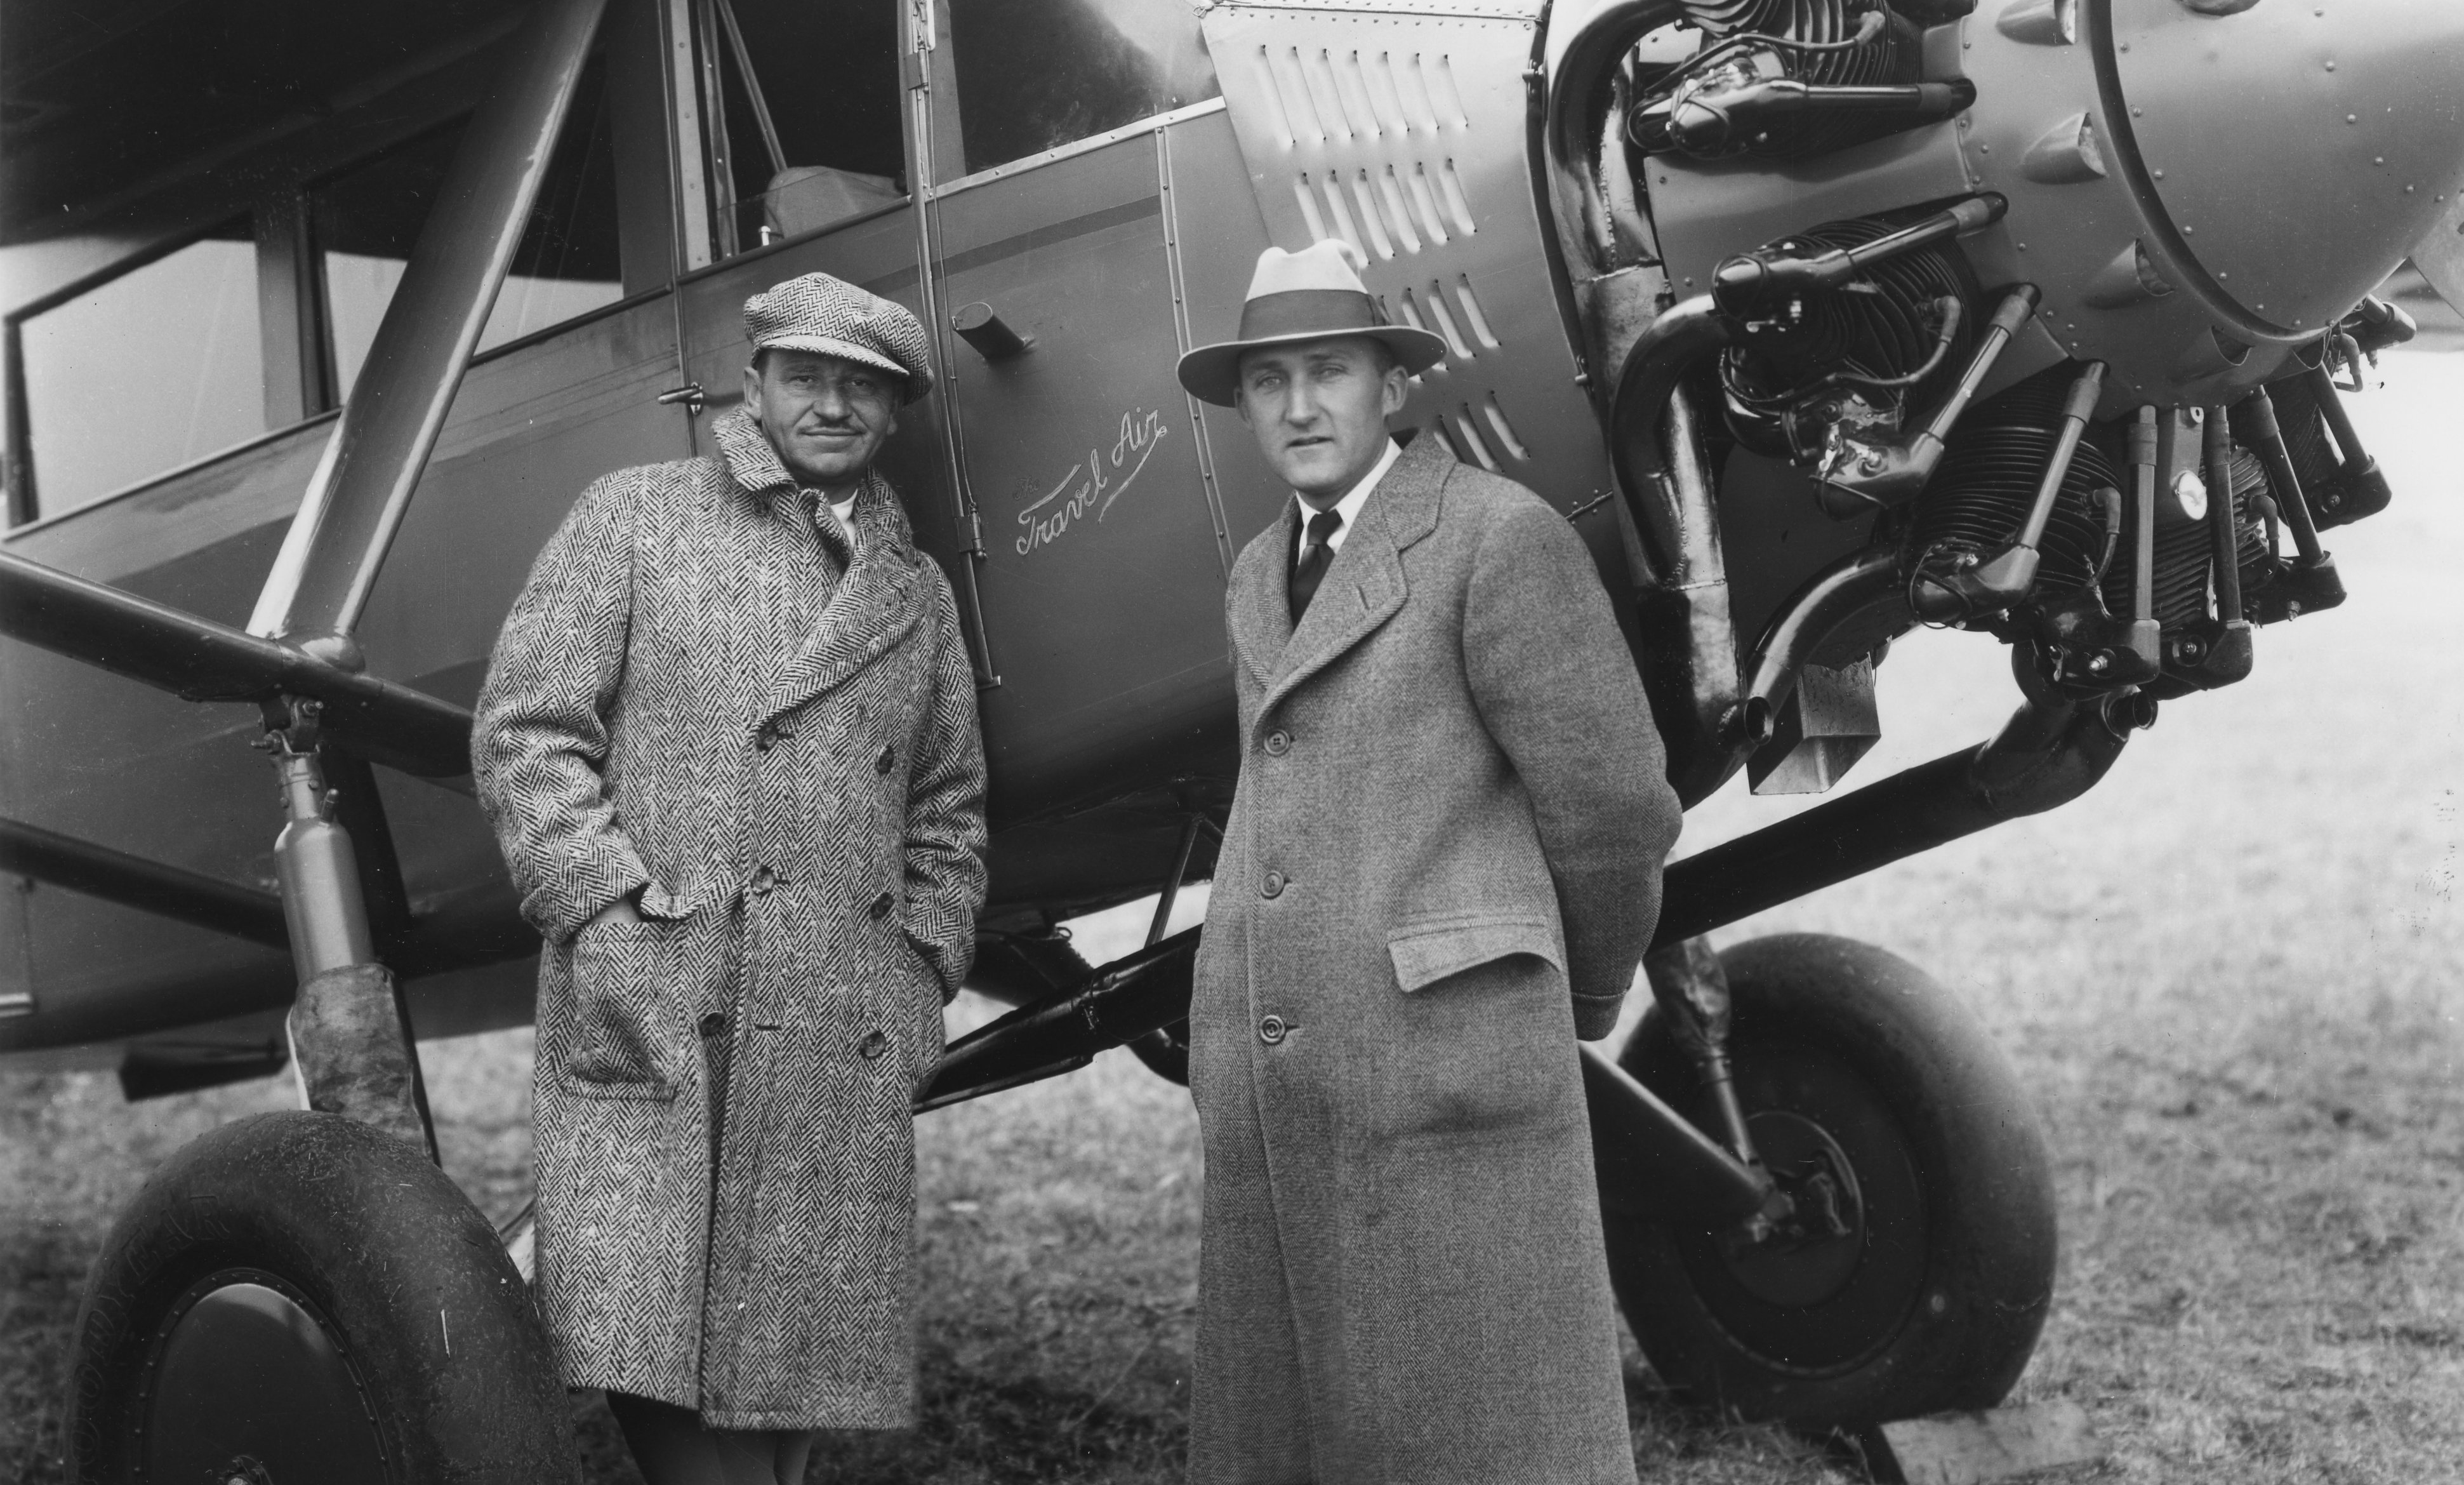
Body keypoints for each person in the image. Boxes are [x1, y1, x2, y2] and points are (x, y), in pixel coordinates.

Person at [1173, 240, 1683, 1484]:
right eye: (1269, 381)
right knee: (1313, 1425)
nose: (1300, 406)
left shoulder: (1495, 537)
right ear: (1242, 407)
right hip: (1285, 1068)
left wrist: (1574, 993)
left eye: (1330, 371)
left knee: (1477, 1423)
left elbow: (1614, 805)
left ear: (1391, 387)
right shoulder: (1256, 572)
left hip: (1446, 1062)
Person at [472, 271, 987, 1485]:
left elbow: (948, 804)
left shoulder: (914, 591)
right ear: (752, 387)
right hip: (661, 977)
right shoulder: (636, 514)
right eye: (805, 378)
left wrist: (919, 966)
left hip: (835, 1009)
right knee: (645, 1312)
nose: (831, 406)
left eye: (862, 387)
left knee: (789, 1351)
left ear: (896, 412)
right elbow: (527, 727)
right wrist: (602, 913)